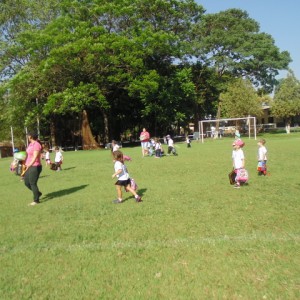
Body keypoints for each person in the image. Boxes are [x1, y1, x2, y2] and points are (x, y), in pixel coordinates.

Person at [22, 132, 43, 206]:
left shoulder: (36, 145)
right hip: (28, 166)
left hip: (35, 166)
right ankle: (38, 193)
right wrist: (22, 162)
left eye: (28, 135)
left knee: (32, 183)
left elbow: (35, 157)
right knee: (26, 182)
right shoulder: (30, 144)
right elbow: (27, 155)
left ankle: (36, 200)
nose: (27, 137)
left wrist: (29, 165)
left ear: (30, 136)